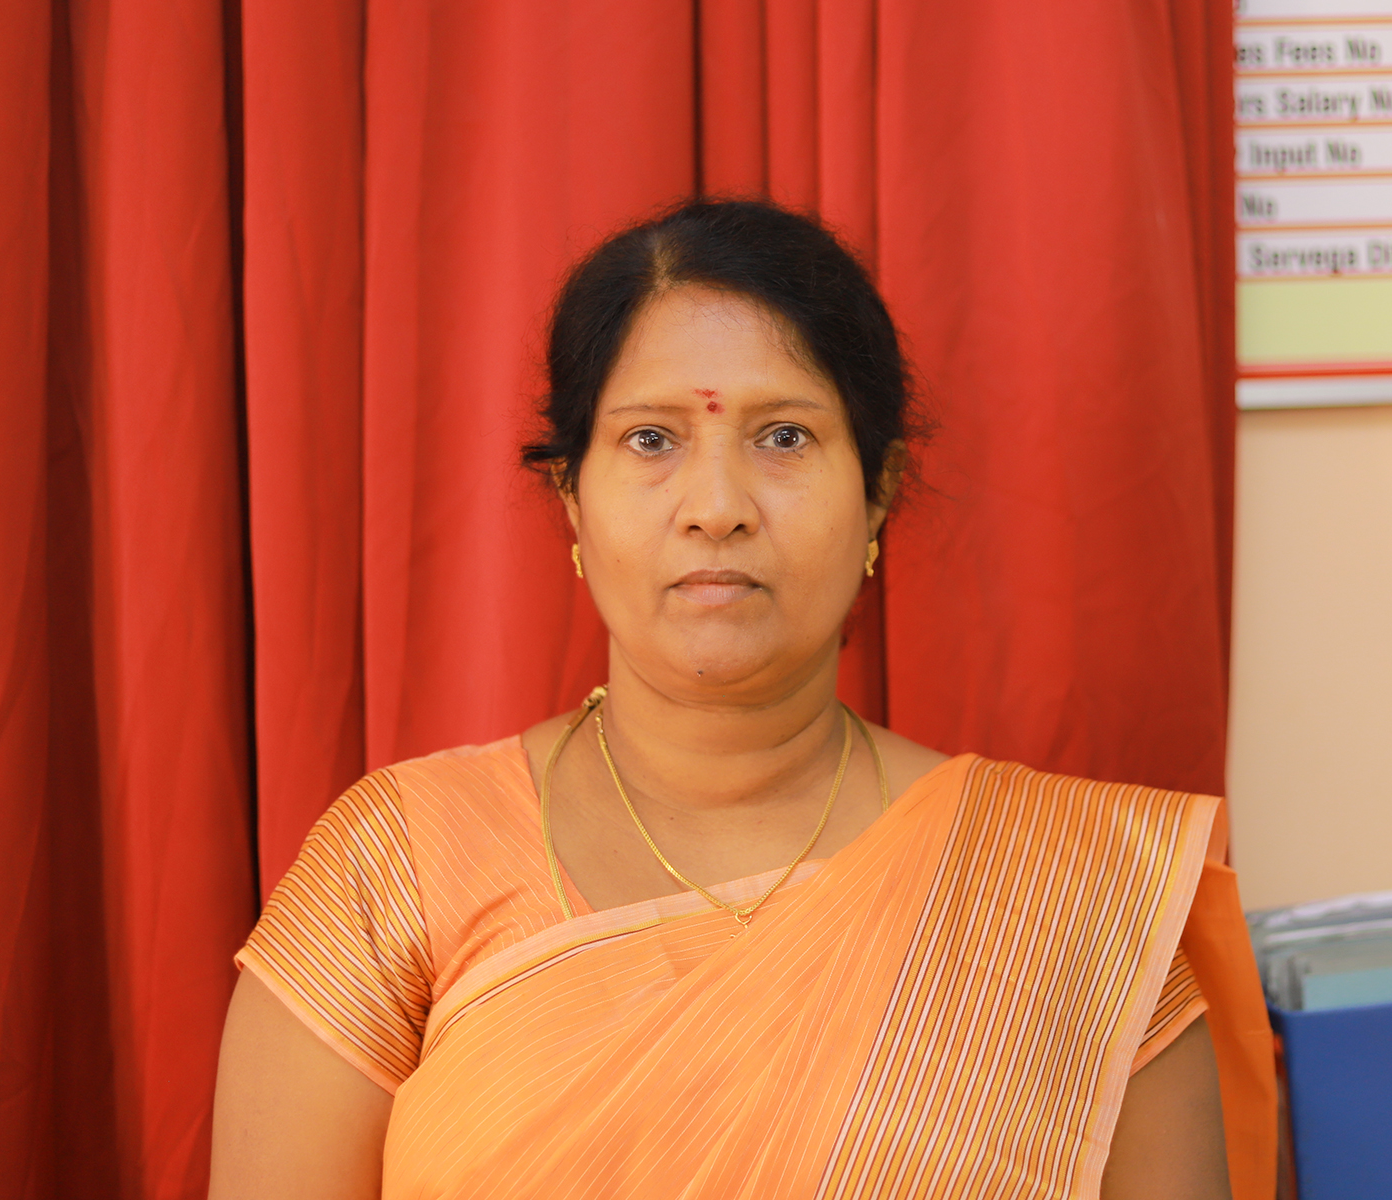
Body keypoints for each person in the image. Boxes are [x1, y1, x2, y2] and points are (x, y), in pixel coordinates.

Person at [209, 199, 1271, 1199]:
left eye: (784, 437)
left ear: (879, 491)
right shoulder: (393, 866)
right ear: (571, 497)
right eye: (652, 439)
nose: (716, 507)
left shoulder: (1069, 893)